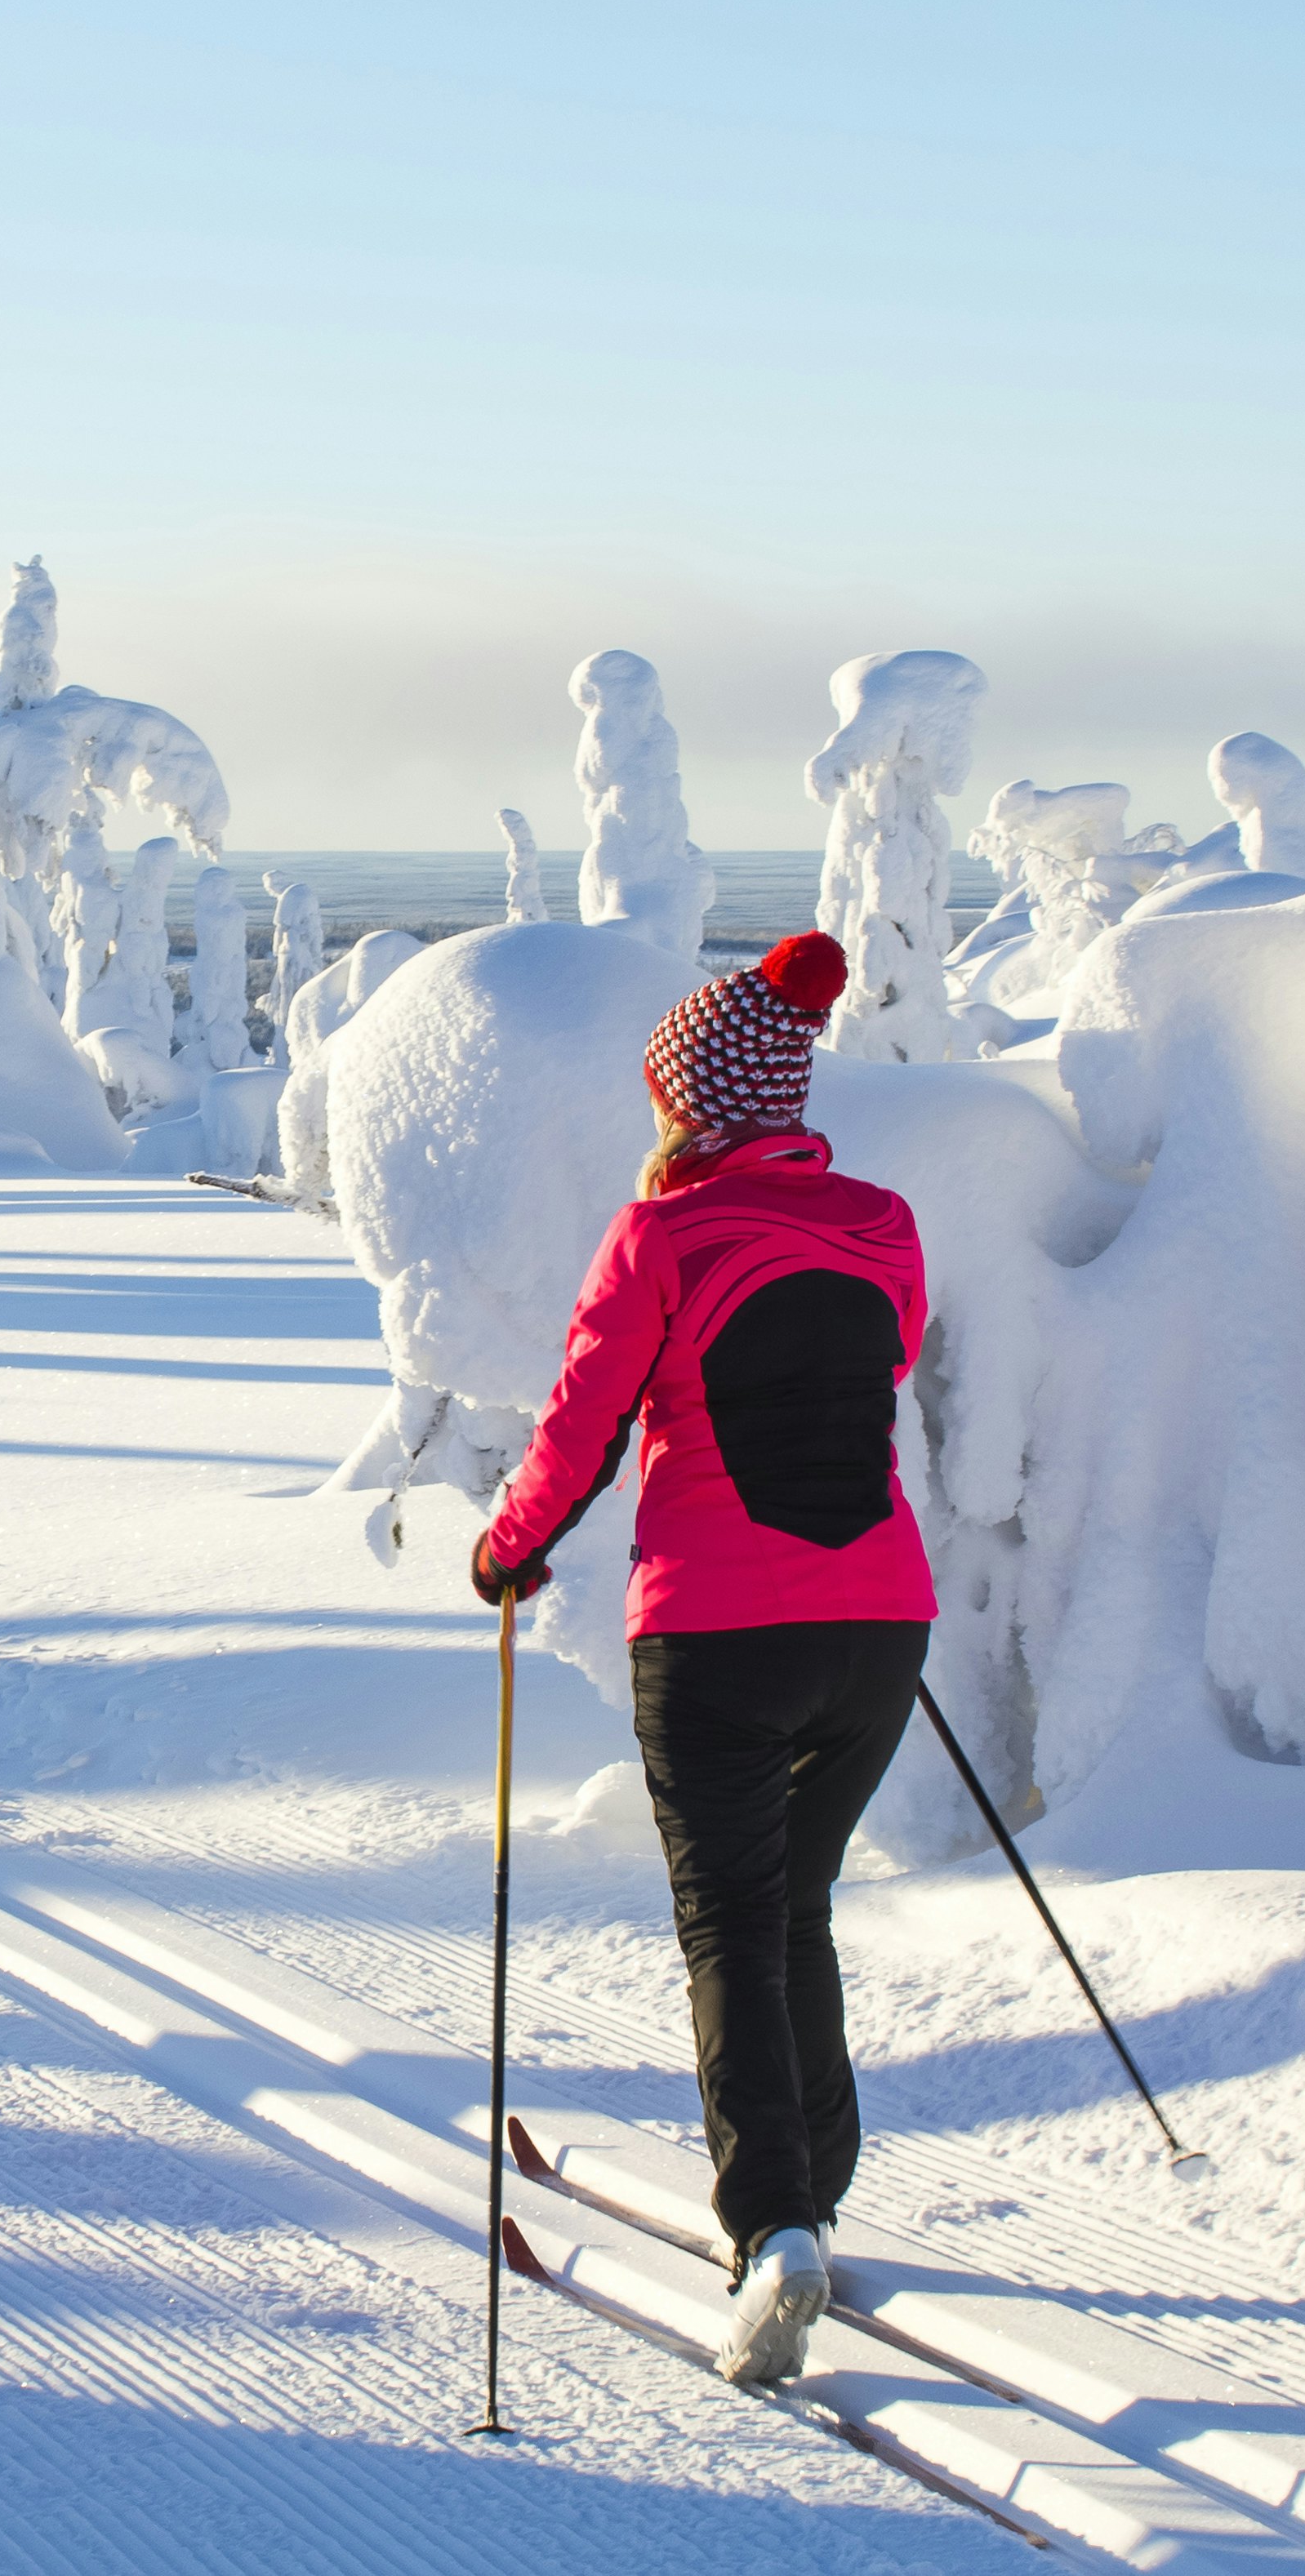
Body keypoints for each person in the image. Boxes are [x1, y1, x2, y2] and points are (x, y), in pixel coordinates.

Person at [467, 929, 930, 2389]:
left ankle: (774, 2222)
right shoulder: (884, 1223)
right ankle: (818, 2192)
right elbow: (884, 1368)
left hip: (718, 1632)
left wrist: (509, 1548)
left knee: (731, 1914)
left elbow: (585, 1423)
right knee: (797, 1898)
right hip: (879, 1623)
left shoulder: (659, 1236)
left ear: (690, 1104)